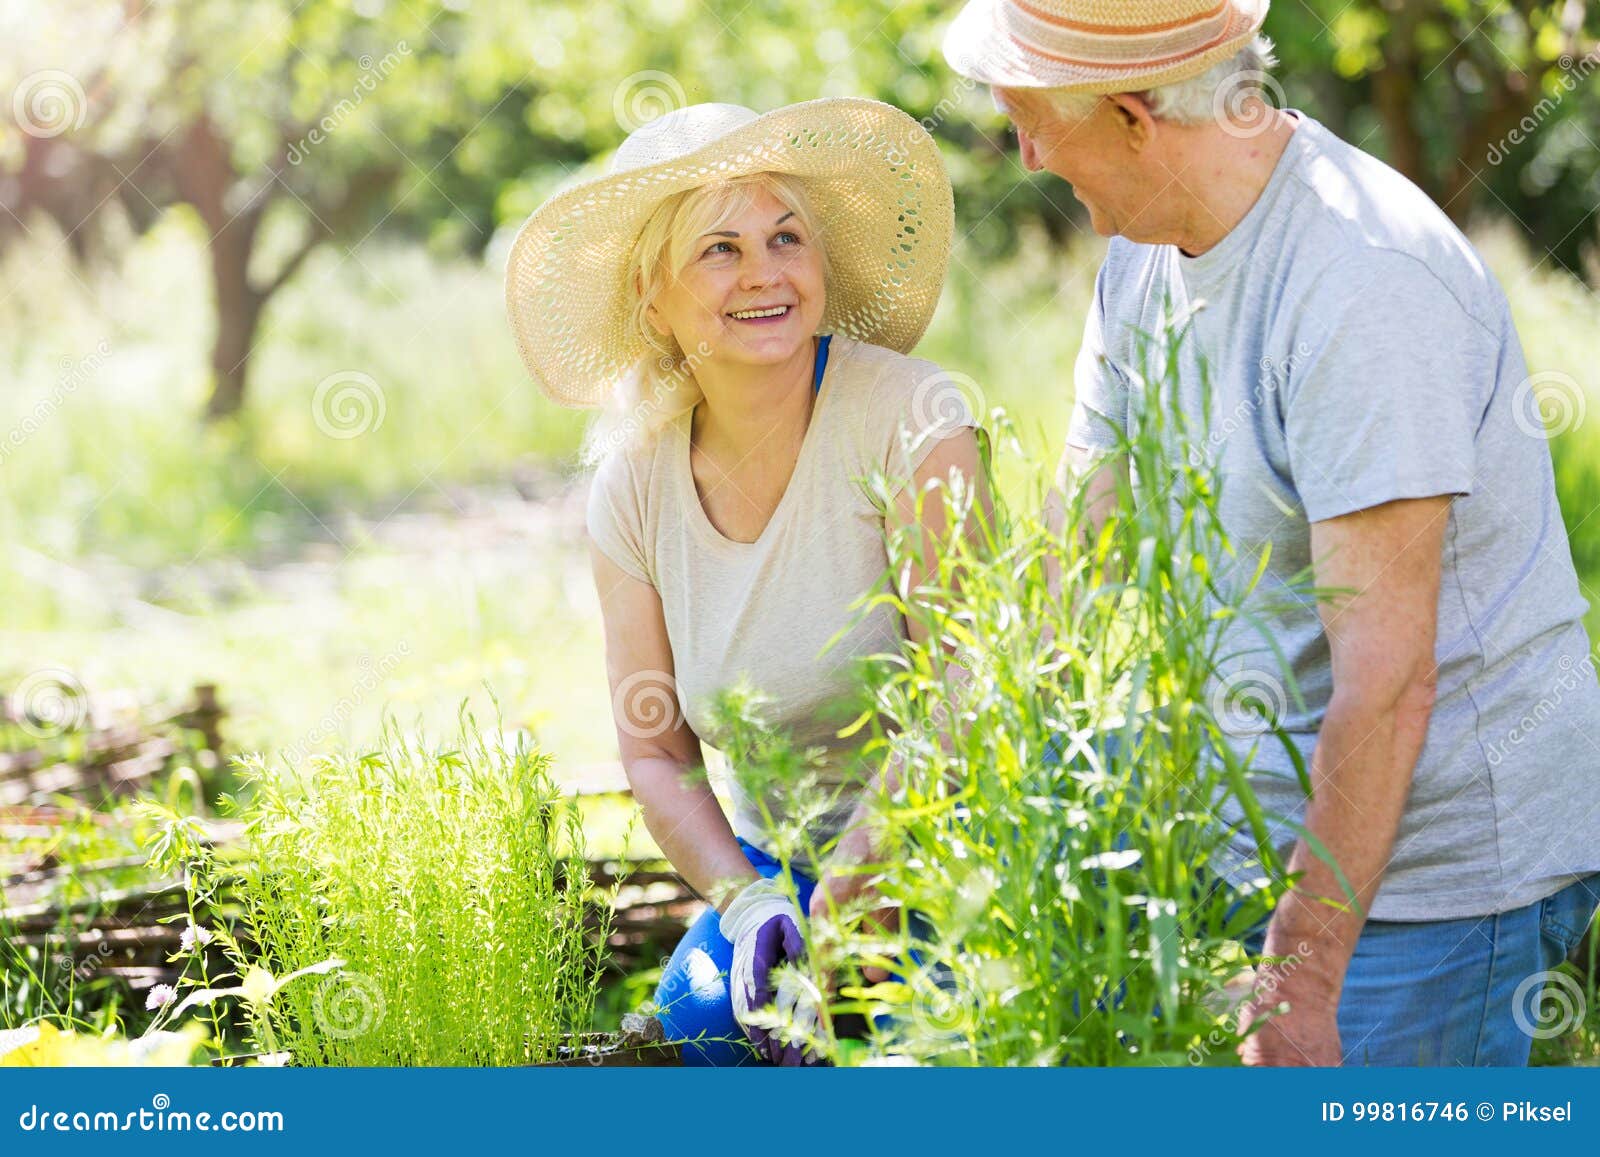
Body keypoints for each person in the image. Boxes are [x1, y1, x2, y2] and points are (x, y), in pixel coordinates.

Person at [942, 0, 1600, 1065]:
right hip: (1282, 849)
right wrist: (883, 840)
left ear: (1132, 116)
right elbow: (1068, 565)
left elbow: (1388, 676)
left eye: (1030, 120)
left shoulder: (1361, 281)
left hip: (1434, 880)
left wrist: (1297, 977)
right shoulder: (1144, 253)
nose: (1021, 154)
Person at [504, 98, 989, 1065]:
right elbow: (654, 752)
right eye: (718, 250)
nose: (763, 272)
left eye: (785, 237)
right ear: (654, 298)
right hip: (782, 872)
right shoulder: (634, 484)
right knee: (696, 1044)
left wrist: (849, 899)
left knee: (906, 1060)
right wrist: (753, 897)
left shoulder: (913, 416)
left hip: (955, 853)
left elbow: (967, 691)